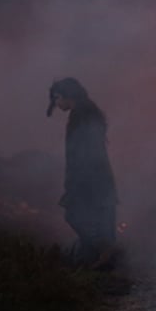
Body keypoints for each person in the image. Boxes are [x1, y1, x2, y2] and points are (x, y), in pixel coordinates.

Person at [48, 78, 118, 268]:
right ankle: (99, 256)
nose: (56, 103)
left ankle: (104, 249)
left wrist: (74, 183)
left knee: (75, 215)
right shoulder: (86, 112)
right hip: (95, 178)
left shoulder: (81, 116)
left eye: (57, 98)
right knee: (90, 217)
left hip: (89, 179)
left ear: (67, 95)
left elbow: (82, 153)